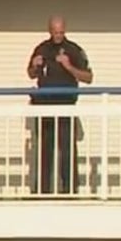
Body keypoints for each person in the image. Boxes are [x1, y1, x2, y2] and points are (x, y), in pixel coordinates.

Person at [25, 16, 92, 195]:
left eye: (61, 32)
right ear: (49, 30)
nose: (58, 35)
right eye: (55, 32)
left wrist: (69, 66)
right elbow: (31, 74)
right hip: (44, 107)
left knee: (67, 151)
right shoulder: (42, 48)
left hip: (66, 106)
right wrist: (34, 66)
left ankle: (69, 191)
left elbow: (88, 78)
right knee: (44, 151)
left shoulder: (74, 50)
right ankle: (42, 191)